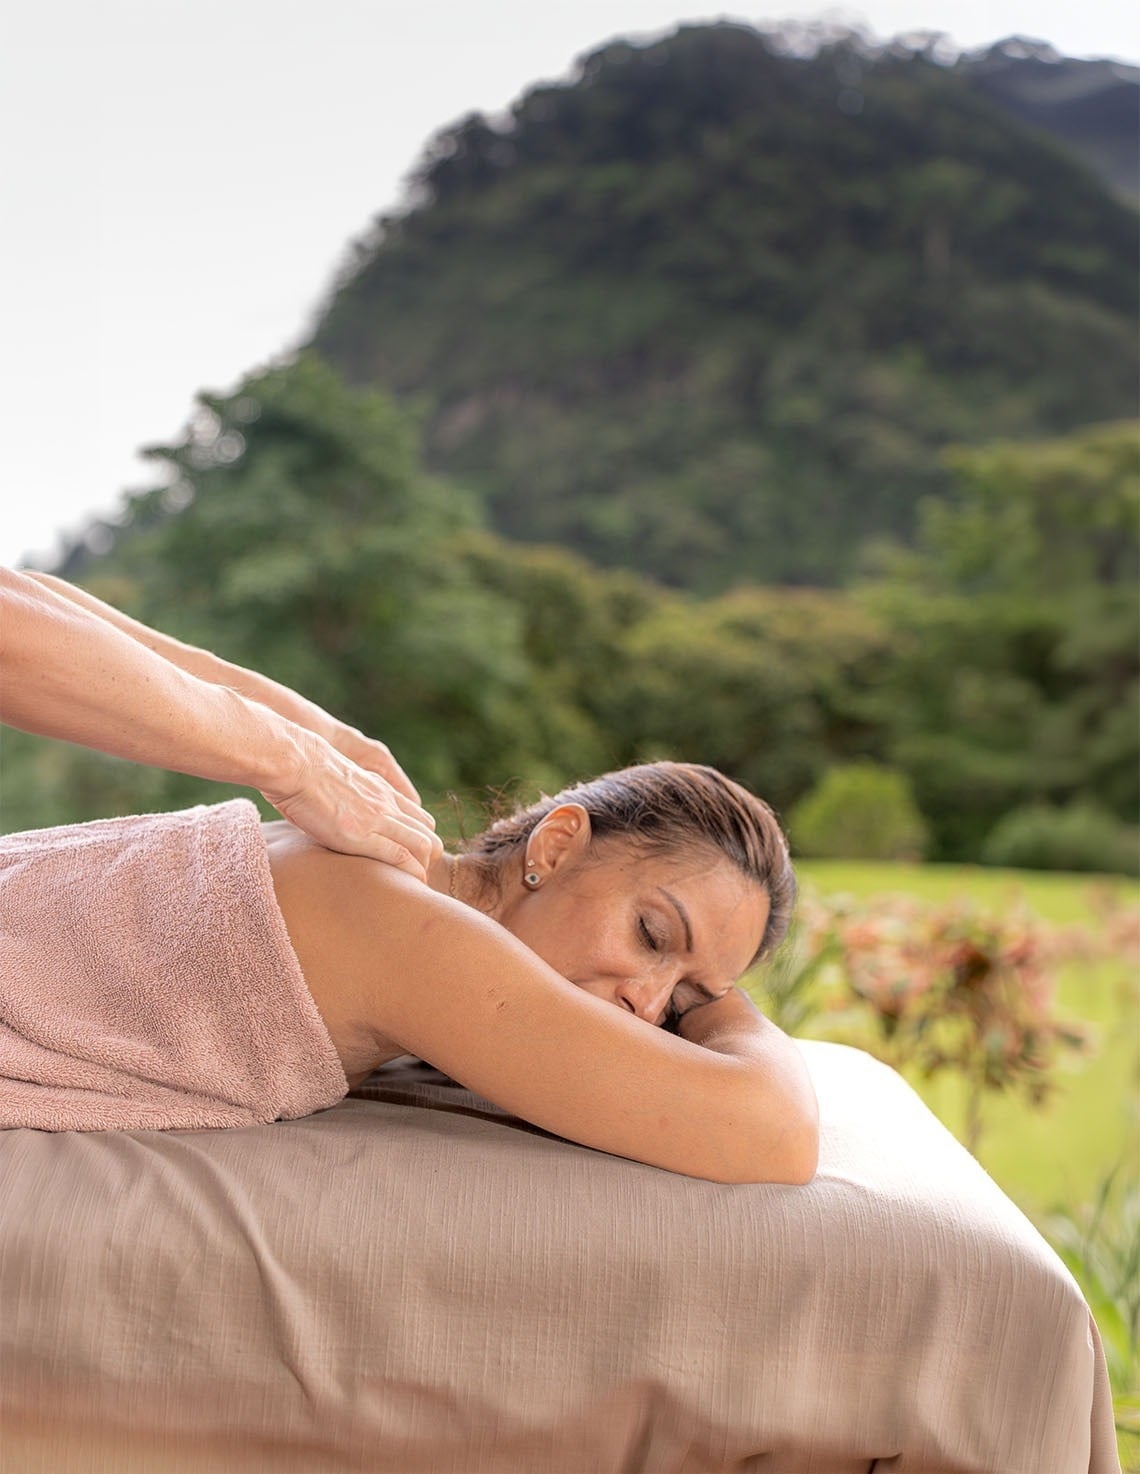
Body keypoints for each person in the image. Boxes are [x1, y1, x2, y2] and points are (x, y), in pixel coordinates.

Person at [0, 569, 818, 1184]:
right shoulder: (416, 939)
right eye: (652, 935)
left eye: (676, 1003)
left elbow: (27, 591)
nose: (648, 1003)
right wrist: (724, 1010)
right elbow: (773, 1136)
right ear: (558, 845)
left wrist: (310, 734)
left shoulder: (389, 862)